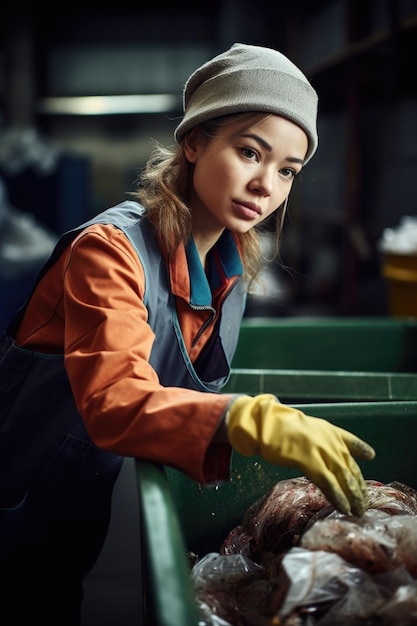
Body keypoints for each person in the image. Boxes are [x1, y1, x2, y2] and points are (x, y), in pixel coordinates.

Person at [0, 42, 376, 624]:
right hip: (12, 493)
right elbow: (114, 400)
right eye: (250, 152)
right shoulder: (108, 252)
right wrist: (250, 418)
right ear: (195, 141)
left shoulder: (231, 269)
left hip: (73, 502)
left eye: (287, 171)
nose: (266, 185)